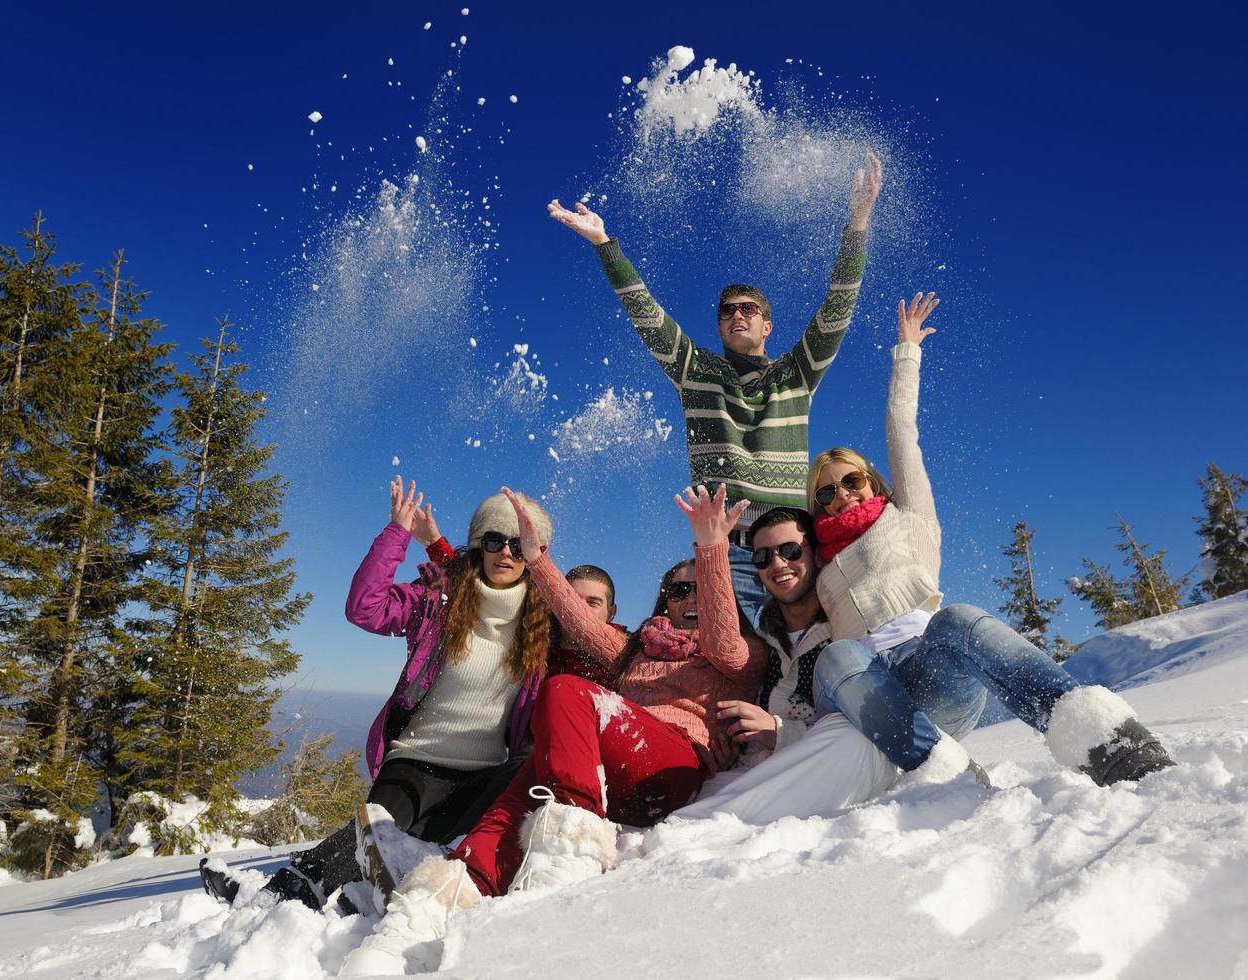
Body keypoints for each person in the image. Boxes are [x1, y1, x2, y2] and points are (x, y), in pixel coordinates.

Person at [339, 488, 768, 977]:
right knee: (506, 812)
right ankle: (420, 919)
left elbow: (721, 637)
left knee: (566, 691)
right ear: (662, 601)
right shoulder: (634, 650)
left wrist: (711, 547)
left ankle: (570, 855)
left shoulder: (741, 656)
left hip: (670, 766)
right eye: (677, 590)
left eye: (699, 589)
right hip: (597, 774)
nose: (689, 598)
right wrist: (534, 555)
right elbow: (570, 613)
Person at [804, 293, 1174, 787]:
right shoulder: (813, 561)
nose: (842, 495)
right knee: (838, 654)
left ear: (872, 481)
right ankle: (949, 775)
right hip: (862, 686)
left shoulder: (909, 517)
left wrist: (907, 351)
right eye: (827, 490)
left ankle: (1107, 742)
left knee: (957, 618)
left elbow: (901, 431)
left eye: (851, 481)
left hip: (928, 674)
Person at [547, 152, 882, 624]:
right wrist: (605, 244)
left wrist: (858, 224)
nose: (737, 315)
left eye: (748, 309)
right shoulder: (696, 372)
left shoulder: (797, 373)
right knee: (738, 668)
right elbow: (648, 316)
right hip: (727, 555)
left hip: (796, 552)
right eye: (727, 311)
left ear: (767, 325)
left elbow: (838, 307)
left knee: (812, 665)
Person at [200, 478, 553, 912]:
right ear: (480, 544)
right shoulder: (440, 601)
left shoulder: (542, 627)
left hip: (484, 775)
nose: (506, 553)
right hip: (415, 763)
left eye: (519, 546)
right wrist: (397, 533)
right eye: (496, 540)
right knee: (379, 830)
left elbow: (595, 636)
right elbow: (364, 607)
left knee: (470, 813)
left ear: (534, 556)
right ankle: (280, 893)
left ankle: (374, 893)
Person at [669, 501, 898, 824]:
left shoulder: (849, 628)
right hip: (759, 772)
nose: (777, 564)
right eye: (763, 557)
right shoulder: (760, 642)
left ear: (817, 554)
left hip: (837, 762)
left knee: (851, 734)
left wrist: (779, 732)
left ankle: (704, 825)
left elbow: (874, 720)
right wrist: (726, 747)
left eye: (791, 550)